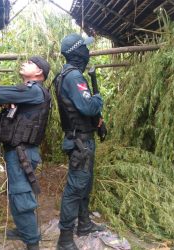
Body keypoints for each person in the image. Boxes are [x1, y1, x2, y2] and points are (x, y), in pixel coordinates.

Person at [0, 56, 51, 250]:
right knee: (16, 192)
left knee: (21, 194)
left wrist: (7, 99)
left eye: (30, 63)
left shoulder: (34, 91)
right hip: (18, 152)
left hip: (22, 153)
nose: (24, 63)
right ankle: (24, 229)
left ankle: (32, 242)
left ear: (39, 72)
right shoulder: (29, 93)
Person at [54, 33, 105, 250]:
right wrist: (98, 97)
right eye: (85, 48)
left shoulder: (63, 75)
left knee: (84, 185)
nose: (88, 52)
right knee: (75, 188)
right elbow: (88, 107)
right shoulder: (74, 76)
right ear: (78, 52)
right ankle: (65, 239)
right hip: (80, 143)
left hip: (80, 140)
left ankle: (84, 224)